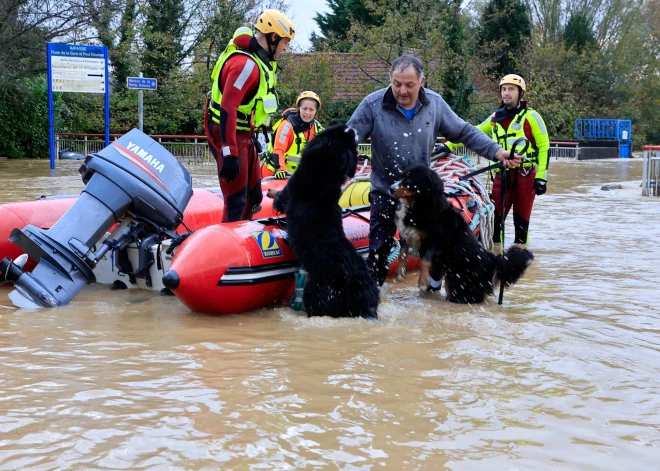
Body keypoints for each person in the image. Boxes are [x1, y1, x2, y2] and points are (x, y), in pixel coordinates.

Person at [347, 54, 522, 288]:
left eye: (409, 85)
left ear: (422, 81)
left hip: (424, 199)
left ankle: (434, 284)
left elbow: (464, 132)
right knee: (378, 250)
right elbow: (345, 140)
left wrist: (497, 152)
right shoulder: (372, 105)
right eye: (396, 84)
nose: (402, 91)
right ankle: (373, 302)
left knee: (444, 243)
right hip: (385, 192)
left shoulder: (435, 104)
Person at [204, 10, 295, 222]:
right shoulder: (246, 65)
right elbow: (228, 107)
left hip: (244, 134)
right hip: (229, 135)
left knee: (254, 197)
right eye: (285, 42)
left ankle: (245, 236)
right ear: (273, 37)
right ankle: (228, 249)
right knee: (236, 201)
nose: (285, 48)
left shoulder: (261, 61)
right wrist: (229, 153)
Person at [439, 74, 549, 244]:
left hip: (525, 177)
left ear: (520, 93)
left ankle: (520, 258)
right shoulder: (495, 118)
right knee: (494, 224)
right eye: (504, 89)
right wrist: (449, 146)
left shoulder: (532, 117)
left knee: (521, 225)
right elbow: (472, 133)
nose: (506, 93)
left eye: (511, 89)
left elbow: (544, 147)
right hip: (501, 176)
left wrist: (541, 176)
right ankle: (495, 257)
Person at [262, 91, 324, 179]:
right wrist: (280, 169)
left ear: (316, 111)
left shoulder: (318, 128)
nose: (307, 113)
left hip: (296, 177)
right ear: (298, 108)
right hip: (274, 173)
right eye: (304, 108)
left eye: (311, 109)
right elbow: (278, 150)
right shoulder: (287, 125)